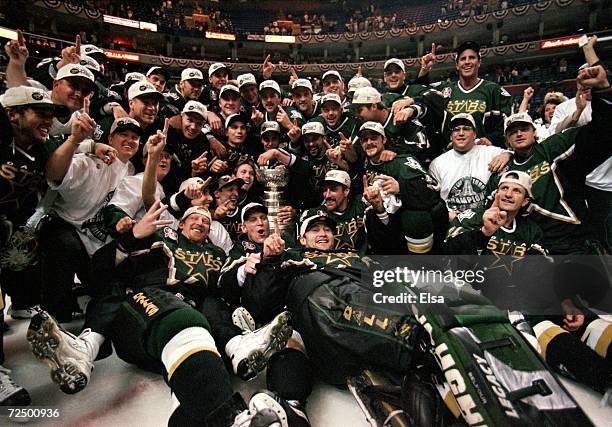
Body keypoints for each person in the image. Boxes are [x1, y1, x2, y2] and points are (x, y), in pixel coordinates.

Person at [28, 202, 293, 426]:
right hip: (145, 313)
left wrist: (247, 269)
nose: (201, 223)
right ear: (180, 224)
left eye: (206, 221)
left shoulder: (216, 254)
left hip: (194, 332)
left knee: (210, 308)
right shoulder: (158, 240)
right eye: (194, 218)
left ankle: (236, 347)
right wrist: (130, 239)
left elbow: (227, 287)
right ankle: (85, 348)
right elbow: (100, 273)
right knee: (132, 294)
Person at [487, 65, 611, 254]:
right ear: (507, 139)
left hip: (576, 241)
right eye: (513, 131)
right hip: (534, 247)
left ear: (534, 131)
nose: (519, 133)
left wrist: (602, 90)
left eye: (524, 128)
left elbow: (600, 134)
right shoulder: (503, 171)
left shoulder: (553, 147)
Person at [433, 41, 513, 148]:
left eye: (471, 57)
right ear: (457, 65)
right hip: (450, 155)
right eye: (462, 59)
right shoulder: (445, 89)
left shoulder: (493, 90)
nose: (467, 62)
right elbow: (418, 94)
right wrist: (424, 70)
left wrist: (491, 139)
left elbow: (509, 124)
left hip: (483, 155)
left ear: (479, 62)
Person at [428, 113, 510, 215]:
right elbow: (432, 200)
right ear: (450, 136)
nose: (461, 133)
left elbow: (518, 156)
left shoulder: (491, 153)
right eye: (456, 129)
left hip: (485, 220)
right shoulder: (437, 164)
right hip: (452, 223)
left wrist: (507, 154)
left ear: (475, 134)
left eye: (466, 129)